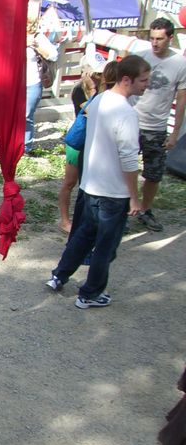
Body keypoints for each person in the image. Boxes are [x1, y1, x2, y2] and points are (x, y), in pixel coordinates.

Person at [46, 55, 150, 309]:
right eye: (143, 80)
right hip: (113, 191)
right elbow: (129, 160)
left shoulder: (99, 99)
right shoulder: (126, 113)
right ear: (127, 79)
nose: (147, 85)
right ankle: (90, 294)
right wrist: (134, 197)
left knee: (83, 235)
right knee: (106, 245)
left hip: (90, 185)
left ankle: (59, 276)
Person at [132, 17, 186, 232]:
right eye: (152, 38)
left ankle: (145, 210)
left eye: (160, 39)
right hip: (132, 121)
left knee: (153, 174)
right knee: (123, 169)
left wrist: (175, 133)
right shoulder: (140, 57)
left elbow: (181, 100)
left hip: (156, 126)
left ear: (170, 38)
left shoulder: (180, 64)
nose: (155, 43)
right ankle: (123, 208)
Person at [57, 54, 105, 234]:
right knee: (70, 182)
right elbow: (93, 110)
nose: (97, 77)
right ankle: (65, 220)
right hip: (78, 141)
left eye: (100, 73)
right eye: (94, 73)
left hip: (95, 142)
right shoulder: (79, 90)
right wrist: (92, 89)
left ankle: (89, 220)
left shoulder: (104, 90)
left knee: (90, 184)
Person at [25, 13, 59, 153]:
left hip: (32, 82)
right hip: (13, 84)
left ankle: (25, 148)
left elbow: (54, 55)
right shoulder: (11, 36)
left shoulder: (38, 37)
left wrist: (36, 46)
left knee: (26, 115)